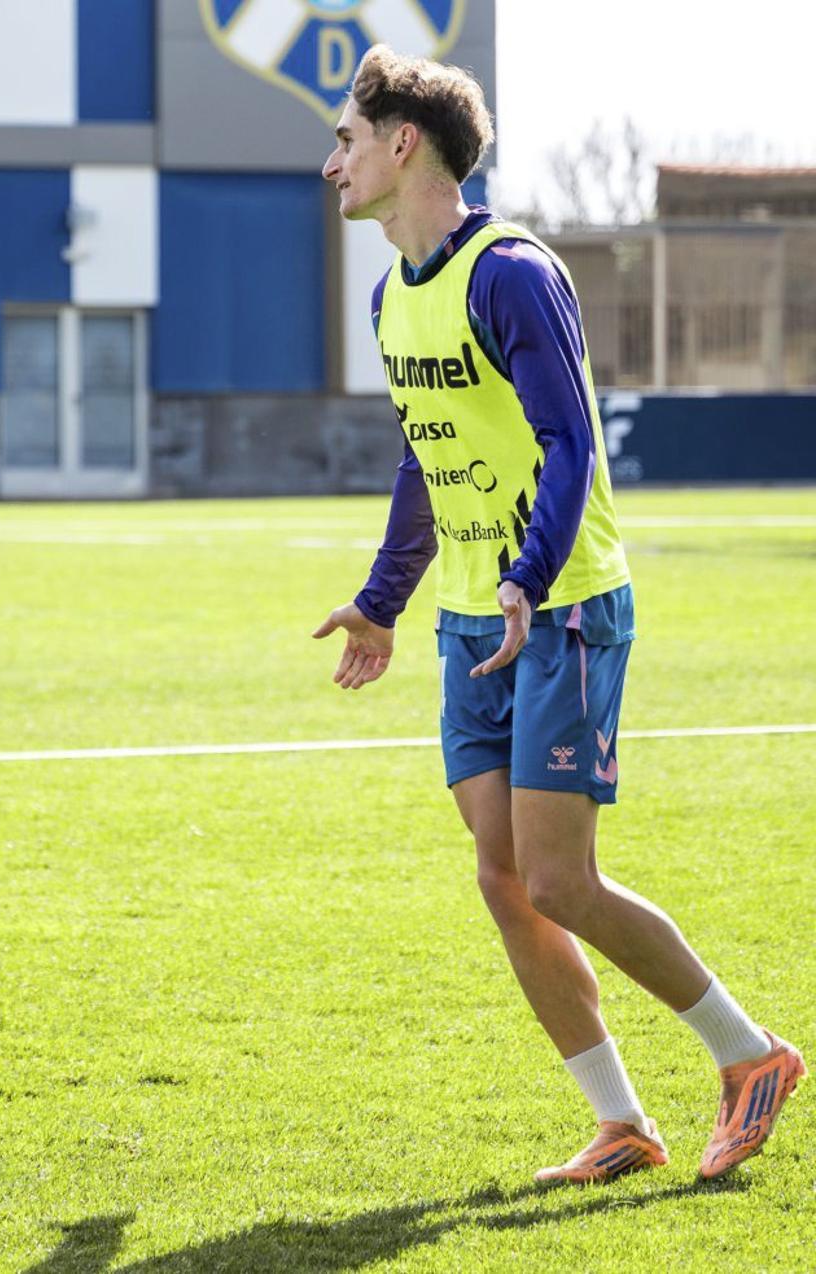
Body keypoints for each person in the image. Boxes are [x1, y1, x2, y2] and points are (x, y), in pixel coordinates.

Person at [313, 44, 805, 1184]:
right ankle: (622, 1123)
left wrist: (529, 577)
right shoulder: (395, 294)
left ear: (402, 145)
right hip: (469, 617)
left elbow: (567, 439)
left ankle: (752, 1055)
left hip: (563, 605)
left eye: (344, 137)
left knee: (560, 877)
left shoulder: (513, 272)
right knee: (502, 875)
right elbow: (423, 460)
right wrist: (384, 603)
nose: (330, 160)